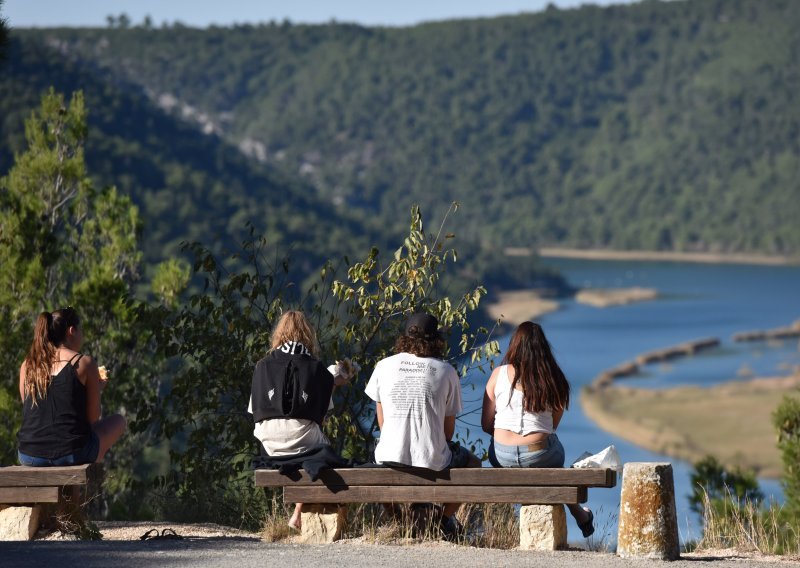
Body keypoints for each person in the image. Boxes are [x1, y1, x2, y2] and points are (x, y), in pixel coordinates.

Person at [365, 312, 481, 538]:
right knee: (474, 464)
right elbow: (448, 433)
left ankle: (398, 519)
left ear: (405, 337)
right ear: (436, 339)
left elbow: (383, 422)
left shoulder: (383, 366)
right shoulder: (446, 370)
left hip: (389, 456)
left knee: (373, 460)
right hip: (432, 460)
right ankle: (442, 519)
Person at [481, 321, 594, 538]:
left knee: (545, 460)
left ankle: (581, 514)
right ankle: (580, 514)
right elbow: (551, 428)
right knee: (553, 461)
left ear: (514, 345)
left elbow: (487, 425)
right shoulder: (554, 378)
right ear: (543, 347)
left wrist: (508, 438)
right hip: (539, 454)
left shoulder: (498, 374)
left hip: (501, 456)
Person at [248, 310, 355, 531]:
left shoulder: (262, 365)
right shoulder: (317, 369)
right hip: (302, 443)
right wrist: (331, 384)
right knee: (319, 450)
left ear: (278, 334)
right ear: (308, 334)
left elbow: (255, 411)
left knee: (306, 448)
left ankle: (297, 513)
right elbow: (320, 417)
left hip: (269, 443)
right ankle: (298, 514)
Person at [17, 308, 127, 467]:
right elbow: (92, 418)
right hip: (72, 453)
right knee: (119, 421)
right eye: (81, 330)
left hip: (29, 455)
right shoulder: (84, 363)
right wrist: (96, 389)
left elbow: (32, 409)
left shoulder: (28, 365)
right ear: (72, 331)